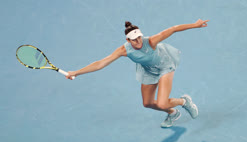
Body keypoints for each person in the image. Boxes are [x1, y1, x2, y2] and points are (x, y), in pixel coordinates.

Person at [67, 19, 209, 128]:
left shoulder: (151, 41)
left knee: (161, 103)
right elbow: (100, 63)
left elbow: (173, 29)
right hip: (148, 70)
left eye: (139, 37)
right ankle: (172, 112)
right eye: (134, 40)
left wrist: (195, 25)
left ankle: (184, 101)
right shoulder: (123, 50)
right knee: (147, 103)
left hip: (164, 67)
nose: (138, 41)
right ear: (128, 40)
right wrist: (76, 72)